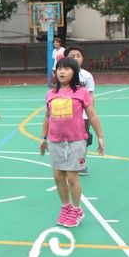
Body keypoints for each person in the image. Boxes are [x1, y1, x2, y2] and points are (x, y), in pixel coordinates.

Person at [40, 57, 106, 228]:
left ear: (74, 72)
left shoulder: (81, 92)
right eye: (59, 68)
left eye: (67, 68)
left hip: (76, 140)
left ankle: (77, 209)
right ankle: (66, 206)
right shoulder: (50, 94)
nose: (62, 71)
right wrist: (43, 138)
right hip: (55, 141)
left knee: (71, 176)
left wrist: (100, 137)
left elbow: (92, 115)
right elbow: (47, 117)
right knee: (58, 176)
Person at [64, 46, 95, 176]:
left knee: (83, 140)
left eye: (78, 56)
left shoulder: (87, 76)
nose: (76, 58)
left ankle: (81, 163)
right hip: (65, 113)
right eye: (72, 56)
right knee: (66, 139)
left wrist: (91, 114)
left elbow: (90, 96)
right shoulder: (62, 74)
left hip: (83, 115)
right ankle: (67, 161)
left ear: (82, 58)